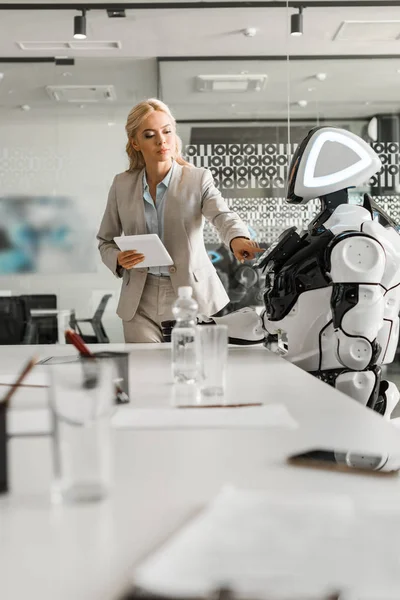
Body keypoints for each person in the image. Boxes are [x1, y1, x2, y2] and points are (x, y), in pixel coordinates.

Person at [97, 98, 262, 343]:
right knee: (146, 374)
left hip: (188, 296)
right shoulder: (122, 184)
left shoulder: (197, 179)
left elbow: (222, 216)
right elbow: (105, 240)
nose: (161, 140)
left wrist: (238, 238)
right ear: (135, 142)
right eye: (150, 135)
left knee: (187, 371)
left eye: (167, 132)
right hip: (138, 300)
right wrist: (118, 259)